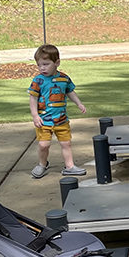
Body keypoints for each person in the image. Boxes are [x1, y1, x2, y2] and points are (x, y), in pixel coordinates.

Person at [28, 44, 87, 178]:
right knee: (44, 145)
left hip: (61, 119)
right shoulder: (38, 80)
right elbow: (33, 99)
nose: (42, 68)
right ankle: (42, 164)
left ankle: (70, 166)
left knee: (66, 143)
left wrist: (79, 103)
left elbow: (70, 92)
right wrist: (35, 115)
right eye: (39, 65)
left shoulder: (63, 79)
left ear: (57, 63)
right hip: (44, 120)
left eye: (46, 64)